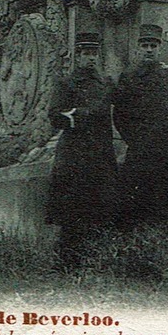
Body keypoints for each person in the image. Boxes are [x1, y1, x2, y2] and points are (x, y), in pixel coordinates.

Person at [45, 29, 118, 265]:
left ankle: (94, 262)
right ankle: (66, 263)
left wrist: (81, 113)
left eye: (94, 53)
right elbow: (55, 116)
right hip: (74, 154)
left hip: (100, 152)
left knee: (99, 206)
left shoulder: (106, 84)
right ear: (78, 55)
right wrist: (83, 115)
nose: (91, 58)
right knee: (72, 210)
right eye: (86, 53)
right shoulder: (66, 83)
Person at [113, 23, 168, 223]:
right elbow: (120, 114)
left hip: (167, 147)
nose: (149, 50)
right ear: (138, 47)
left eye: (153, 46)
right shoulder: (129, 75)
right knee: (137, 201)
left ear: (159, 48)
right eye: (145, 45)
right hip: (140, 148)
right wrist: (134, 139)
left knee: (167, 199)